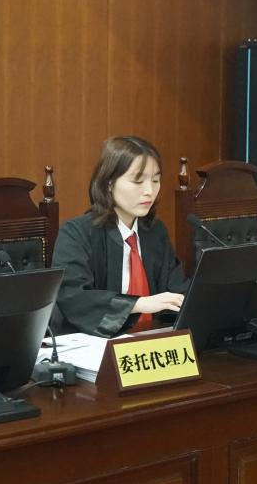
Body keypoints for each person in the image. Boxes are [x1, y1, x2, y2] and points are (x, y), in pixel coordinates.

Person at [51, 135, 189, 336]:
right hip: (91, 343)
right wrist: (138, 304)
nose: (149, 191)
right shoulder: (77, 233)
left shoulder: (155, 231)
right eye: (138, 181)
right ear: (109, 183)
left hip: (149, 340)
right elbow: (73, 297)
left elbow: (176, 289)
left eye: (155, 180)